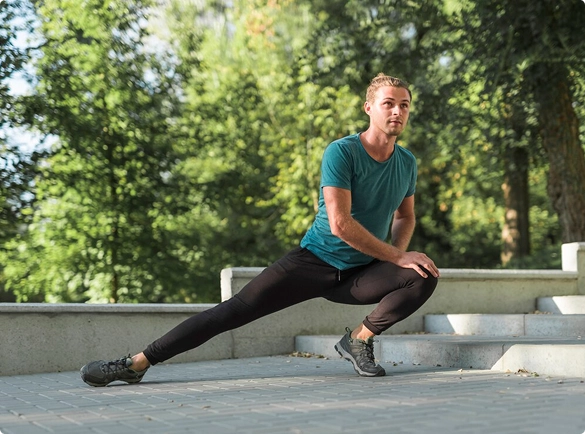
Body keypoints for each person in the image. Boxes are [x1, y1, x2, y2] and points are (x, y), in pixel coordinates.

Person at [80, 73, 440, 387]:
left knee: (423, 274)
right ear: (368, 108)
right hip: (314, 261)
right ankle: (136, 364)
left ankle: (358, 340)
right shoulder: (342, 152)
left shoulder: (406, 162)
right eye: (389, 103)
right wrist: (397, 255)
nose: (397, 112)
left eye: (404, 105)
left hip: (362, 272)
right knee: (230, 313)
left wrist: (401, 258)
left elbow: (405, 216)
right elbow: (340, 224)